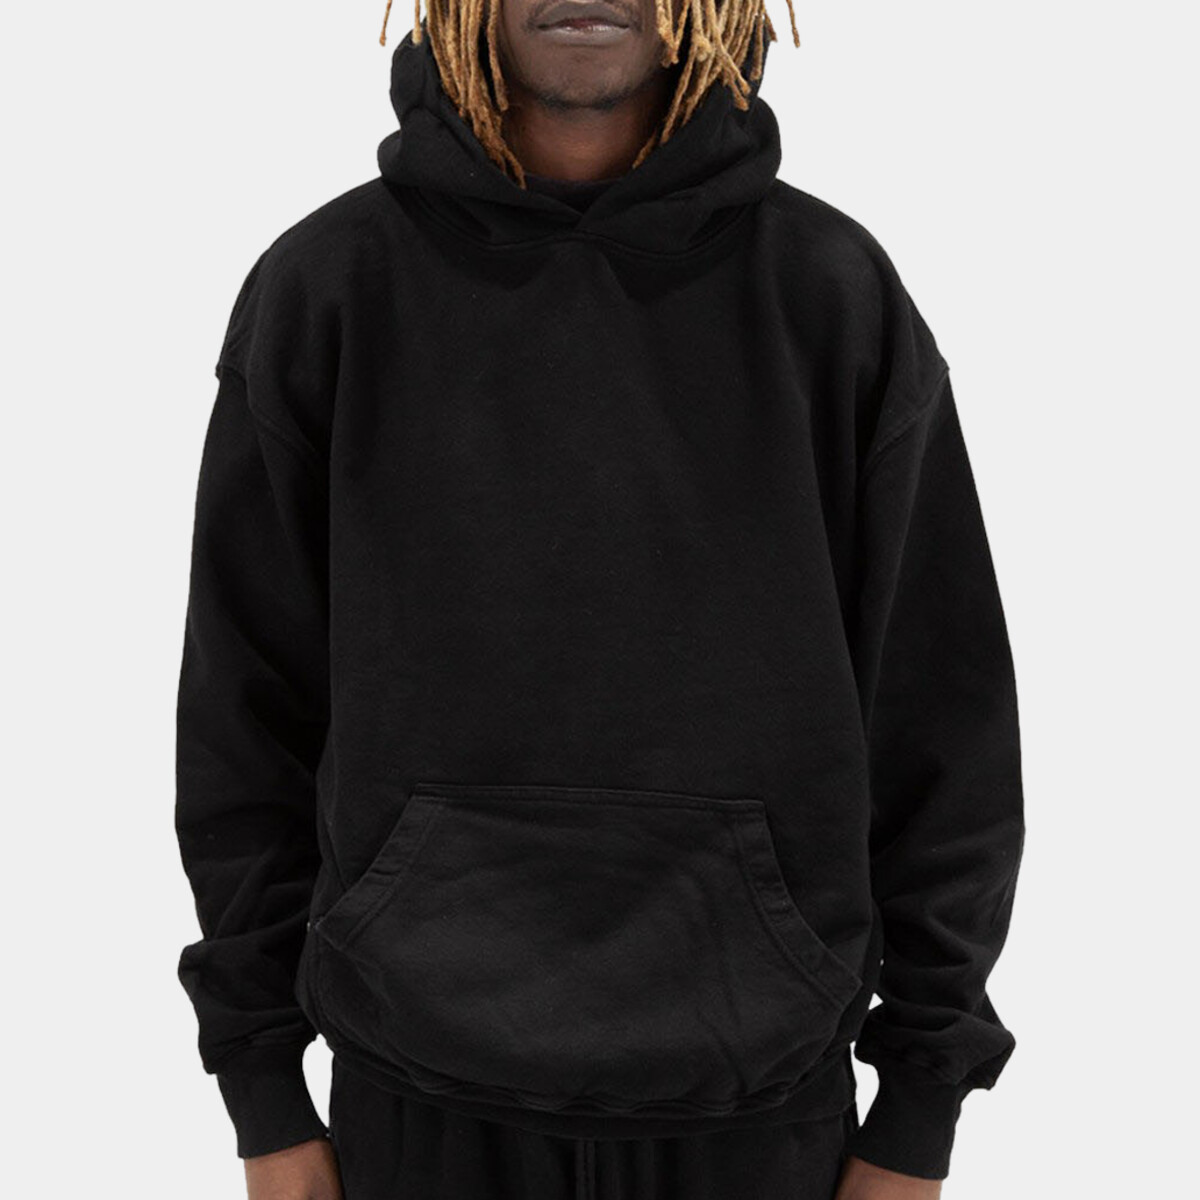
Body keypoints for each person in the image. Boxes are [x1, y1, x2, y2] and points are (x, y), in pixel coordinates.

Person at [173, 0, 1026, 1196]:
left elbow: (942, 717)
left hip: (760, 1110)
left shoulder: (832, 291)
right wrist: (263, 1091)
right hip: (415, 1104)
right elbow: (244, 715)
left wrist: (921, 1104)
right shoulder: (329, 285)